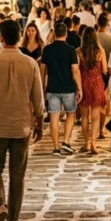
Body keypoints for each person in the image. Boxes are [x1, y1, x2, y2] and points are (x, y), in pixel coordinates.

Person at [0, 19, 45, 221]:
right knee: (17, 174)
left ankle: (0, 206)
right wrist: (39, 121)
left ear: (1, 37)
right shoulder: (30, 64)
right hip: (21, 125)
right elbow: (38, 99)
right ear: (20, 36)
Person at [39, 23, 81, 156]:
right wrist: (80, 87)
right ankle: (66, 141)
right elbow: (75, 70)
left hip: (52, 87)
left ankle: (56, 147)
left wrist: (42, 85)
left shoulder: (47, 49)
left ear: (54, 33)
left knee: (54, 117)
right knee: (70, 114)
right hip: (68, 87)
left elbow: (42, 69)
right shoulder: (71, 50)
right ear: (66, 34)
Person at [76, 27, 108, 154]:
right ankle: (94, 144)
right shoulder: (100, 51)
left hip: (84, 84)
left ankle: (86, 143)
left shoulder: (79, 51)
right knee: (95, 117)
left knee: (84, 116)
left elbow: (76, 69)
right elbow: (105, 70)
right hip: (97, 83)